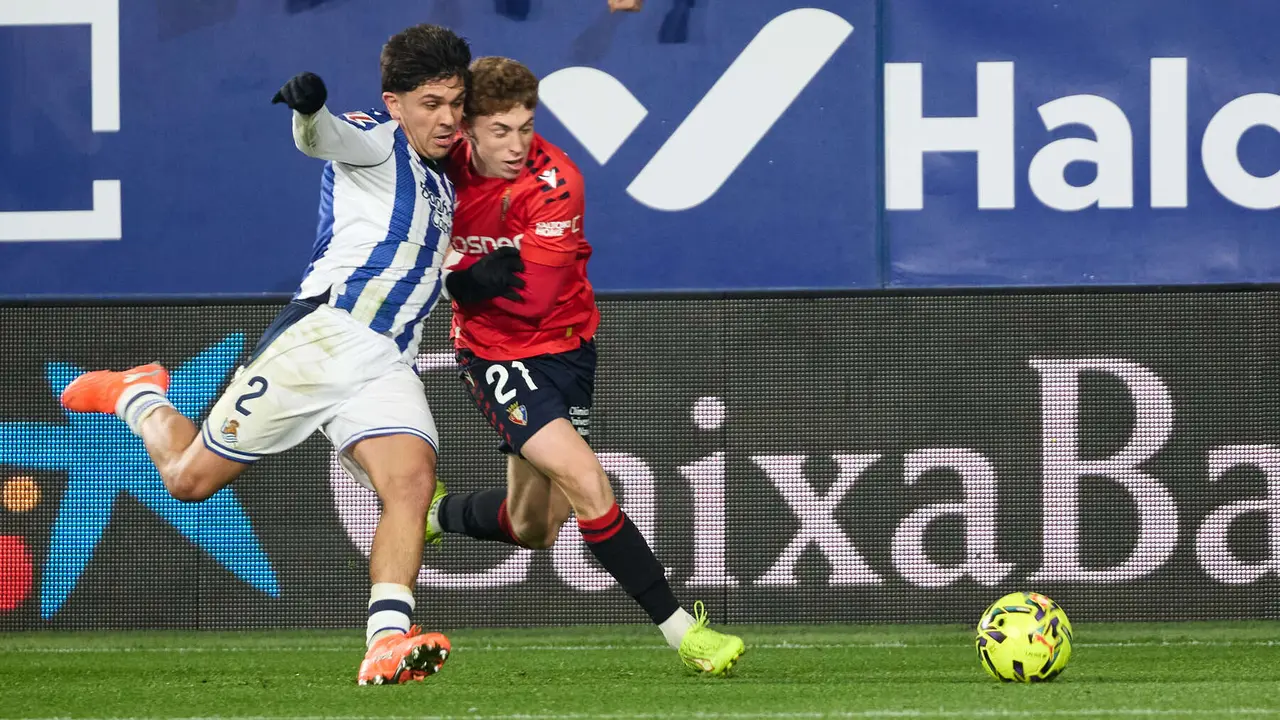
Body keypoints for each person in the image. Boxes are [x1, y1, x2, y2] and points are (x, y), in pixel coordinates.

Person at [58, 24, 471, 686]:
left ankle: (387, 639)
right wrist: (309, 112)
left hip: (388, 361)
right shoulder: (376, 141)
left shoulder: (444, 181)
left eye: (456, 101)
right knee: (188, 483)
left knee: (412, 484)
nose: (448, 117)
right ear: (395, 103)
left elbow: (416, 264)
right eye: (431, 103)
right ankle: (135, 392)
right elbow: (325, 138)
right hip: (319, 343)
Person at [426, 56, 745, 675]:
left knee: (536, 526)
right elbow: (413, 263)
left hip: (567, 348)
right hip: (493, 353)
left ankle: (434, 513)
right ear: (467, 126)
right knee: (587, 479)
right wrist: (463, 283)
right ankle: (684, 632)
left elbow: (535, 297)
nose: (518, 145)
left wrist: (458, 277)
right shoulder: (435, 171)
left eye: (526, 127)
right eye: (501, 131)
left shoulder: (557, 183)